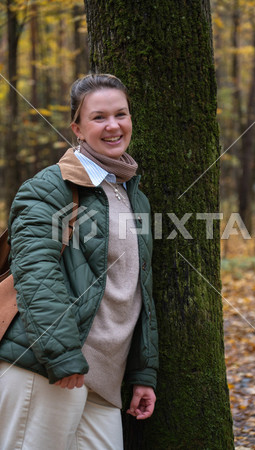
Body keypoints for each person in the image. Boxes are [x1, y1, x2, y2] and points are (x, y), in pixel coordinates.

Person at [0, 73, 159, 450]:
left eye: (121, 114)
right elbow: (36, 274)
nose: (113, 125)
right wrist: (62, 355)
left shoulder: (133, 197)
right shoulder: (49, 187)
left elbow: (136, 291)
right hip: (44, 368)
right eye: (99, 117)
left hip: (105, 379)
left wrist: (142, 372)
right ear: (78, 128)